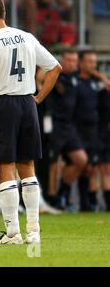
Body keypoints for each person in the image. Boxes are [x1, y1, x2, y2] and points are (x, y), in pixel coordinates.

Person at [0, 0, 62, 244]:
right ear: (5, 13)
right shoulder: (27, 36)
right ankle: (34, 232)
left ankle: (12, 233)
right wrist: (38, 98)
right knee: (28, 169)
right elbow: (55, 67)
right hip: (27, 103)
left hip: (2, 104)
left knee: (6, 167)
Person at [45, 50, 88, 210]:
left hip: (70, 126)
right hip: (55, 124)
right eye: (68, 60)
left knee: (81, 160)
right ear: (62, 60)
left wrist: (101, 78)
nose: (71, 63)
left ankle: (62, 191)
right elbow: (42, 76)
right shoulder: (56, 74)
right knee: (53, 163)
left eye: (74, 61)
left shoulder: (76, 77)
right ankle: (51, 198)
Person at [75, 51, 104, 211]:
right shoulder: (75, 81)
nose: (93, 65)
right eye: (89, 62)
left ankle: (89, 204)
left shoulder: (96, 83)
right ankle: (74, 200)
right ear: (82, 63)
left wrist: (101, 77)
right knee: (82, 164)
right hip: (78, 129)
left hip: (94, 129)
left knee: (92, 166)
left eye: (94, 62)